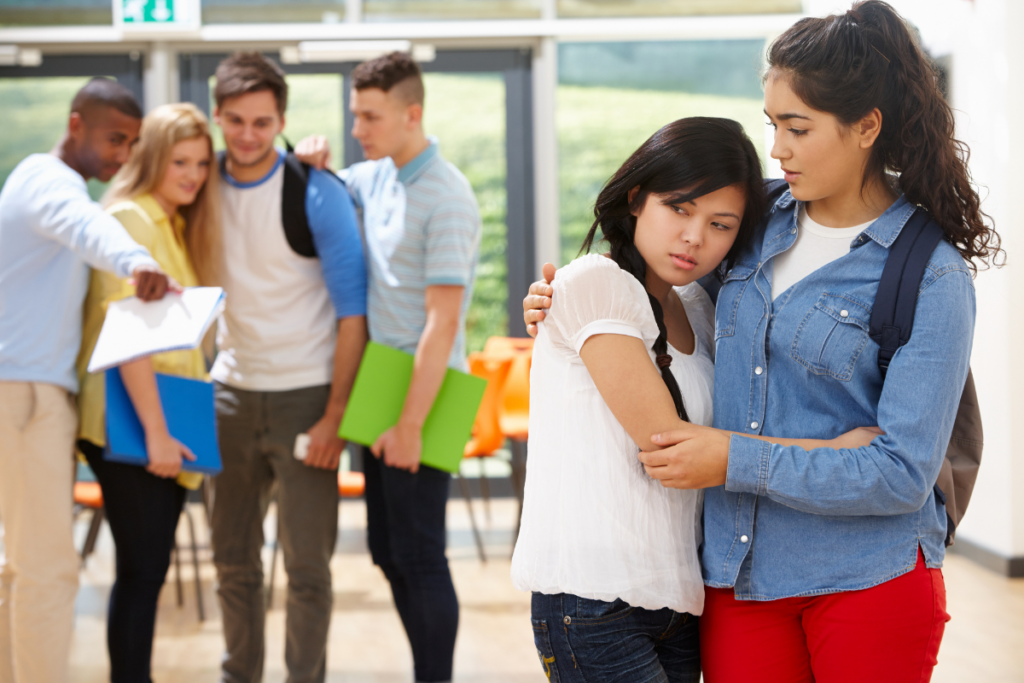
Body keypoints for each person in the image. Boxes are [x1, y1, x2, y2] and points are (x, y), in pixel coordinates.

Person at [524, 2, 1001, 681]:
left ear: (867, 127)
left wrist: (736, 458)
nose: (776, 147)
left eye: (797, 128)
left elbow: (900, 472)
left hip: (868, 576)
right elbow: (666, 291)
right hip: (737, 578)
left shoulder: (932, 274)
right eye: (773, 123)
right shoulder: (750, 223)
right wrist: (562, 300)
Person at [514, 117, 882, 683]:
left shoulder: (701, 311)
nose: (693, 237)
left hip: (679, 600)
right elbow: (671, 450)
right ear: (637, 199)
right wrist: (833, 450)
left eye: (720, 224)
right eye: (679, 209)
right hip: (592, 602)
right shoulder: (594, 282)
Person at [296, 51, 482, 683]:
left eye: (371, 117)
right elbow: (329, 180)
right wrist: (314, 159)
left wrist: (410, 424)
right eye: (355, 116)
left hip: (426, 393)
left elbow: (444, 321)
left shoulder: (448, 196)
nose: (359, 129)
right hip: (380, 379)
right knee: (388, 551)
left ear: (412, 113)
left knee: (422, 555)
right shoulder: (374, 176)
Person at [0, 78, 172, 683]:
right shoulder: (51, 182)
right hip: (25, 397)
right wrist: (138, 261)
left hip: (22, 391)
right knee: (48, 570)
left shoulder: (33, 181)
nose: (122, 155)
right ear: (75, 125)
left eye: (131, 143)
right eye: (113, 138)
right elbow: (84, 226)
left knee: (18, 567)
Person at [208, 52, 368, 683]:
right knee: (233, 564)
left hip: (307, 396)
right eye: (236, 120)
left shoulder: (314, 190)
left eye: (262, 121)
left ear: (281, 121)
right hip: (230, 396)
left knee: (306, 569)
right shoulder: (200, 185)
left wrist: (336, 416)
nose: (248, 134)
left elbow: (352, 315)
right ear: (218, 117)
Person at [72, 102, 221, 683]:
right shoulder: (132, 219)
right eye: (180, 160)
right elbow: (127, 335)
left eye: (202, 163)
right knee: (141, 571)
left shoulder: (172, 222)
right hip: (132, 419)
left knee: (147, 569)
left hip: (162, 415)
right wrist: (158, 433)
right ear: (152, 156)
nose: (192, 174)